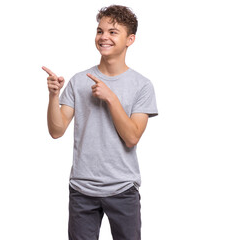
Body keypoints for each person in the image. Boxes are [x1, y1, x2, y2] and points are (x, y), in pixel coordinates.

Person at [42, 5, 158, 240]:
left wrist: (111, 98)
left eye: (113, 32)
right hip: (82, 189)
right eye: (100, 31)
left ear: (130, 39)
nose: (103, 37)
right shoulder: (78, 80)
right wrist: (54, 95)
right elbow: (56, 131)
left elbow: (132, 137)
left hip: (122, 188)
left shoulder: (142, 86)